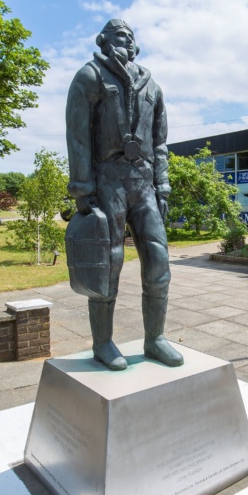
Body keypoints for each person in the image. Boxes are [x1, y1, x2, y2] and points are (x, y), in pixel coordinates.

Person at [65, 19, 183, 371]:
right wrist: (82, 187)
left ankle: (155, 339)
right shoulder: (90, 76)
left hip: (144, 182)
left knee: (159, 262)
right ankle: (102, 343)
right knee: (108, 263)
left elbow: (160, 142)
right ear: (103, 41)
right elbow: (78, 135)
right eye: (119, 35)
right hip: (107, 180)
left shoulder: (152, 86)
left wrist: (163, 183)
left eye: (131, 37)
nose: (127, 40)